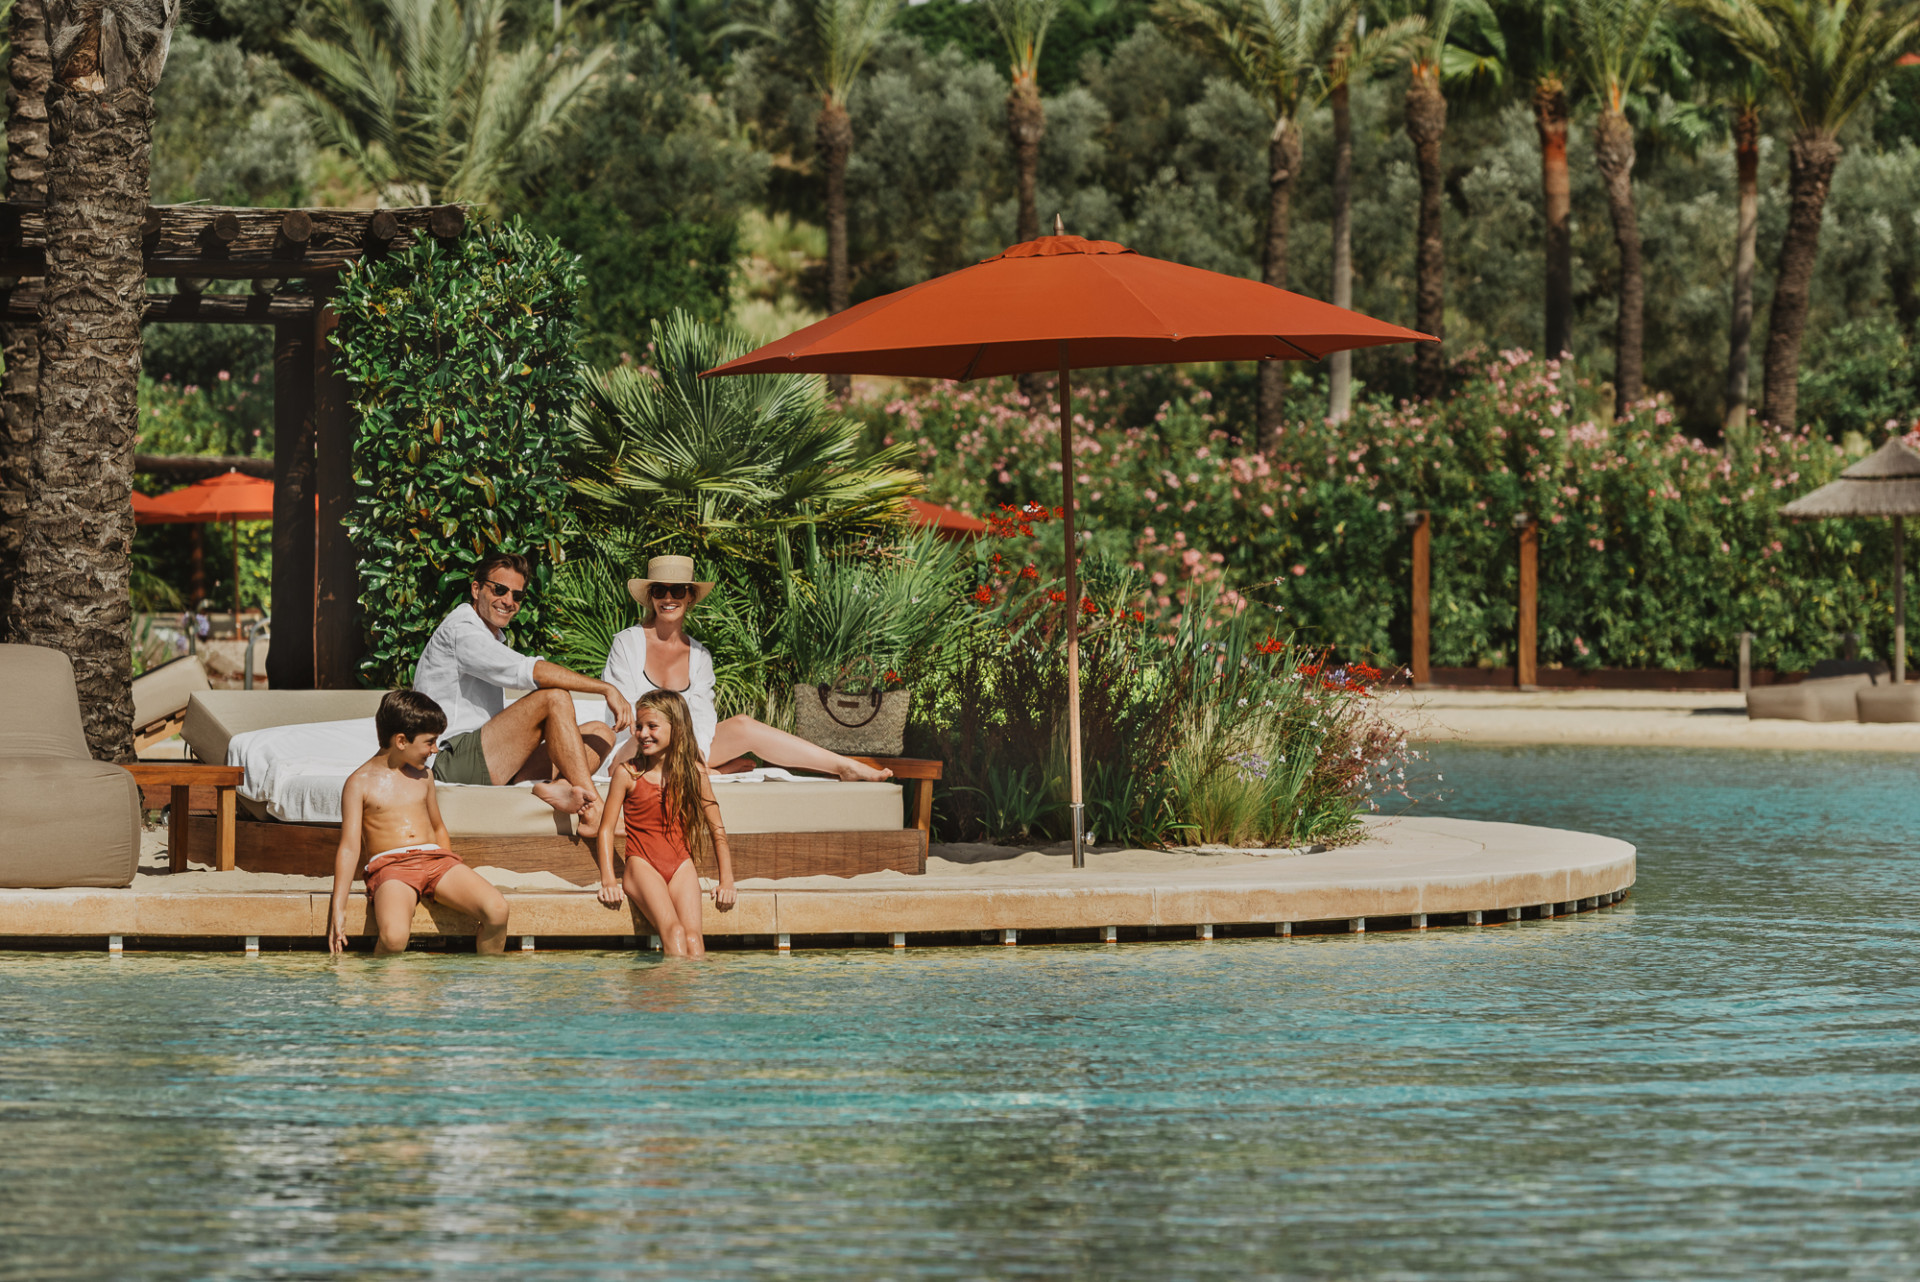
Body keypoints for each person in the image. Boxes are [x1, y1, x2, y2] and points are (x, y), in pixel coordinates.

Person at [600, 555, 892, 781]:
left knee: (743, 725)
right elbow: (626, 717)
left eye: (677, 590)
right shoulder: (627, 643)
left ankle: (844, 766)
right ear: (651, 596)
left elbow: (702, 719)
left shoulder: (699, 655)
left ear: (690, 596)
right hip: (636, 747)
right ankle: (710, 772)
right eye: (659, 590)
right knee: (648, 733)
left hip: (687, 749)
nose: (668, 598)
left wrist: (694, 758)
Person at [413, 550, 634, 836]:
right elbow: (531, 672)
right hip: (449, 759)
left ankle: (560, 787)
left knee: (601, 733)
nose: (508, 601)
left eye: (517, 595)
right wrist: (606, 688)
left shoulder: (489, 634)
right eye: (499, 590)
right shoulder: (462, 630)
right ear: (476, 589)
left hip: (492, 759)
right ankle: (595, 811)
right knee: (554, 698)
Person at [328, 690, 511, 956]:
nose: (435, 749)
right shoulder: (359, 783)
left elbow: (437, 827)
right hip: (392, 867)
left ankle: (487, 975)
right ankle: (381, 981)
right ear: (401, 741)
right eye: (430, 742)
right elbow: (349, 848)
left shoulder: (424, 776)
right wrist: (339, 907)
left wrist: (447, 876)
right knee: (393, 938)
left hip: (436, 861)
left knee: (497, 910)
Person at [594, 689, 736, 958]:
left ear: (677, 728)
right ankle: (670, 987)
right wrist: (609, 880)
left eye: (652, 726)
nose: (643, 733)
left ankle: (687, 987)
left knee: (693, 939)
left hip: (681, 864)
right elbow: (605, 830)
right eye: (639, 726)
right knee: (675, 932)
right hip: (642, 865)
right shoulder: (628, 774)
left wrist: (726, 881)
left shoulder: (694, 774)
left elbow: (716, 828)